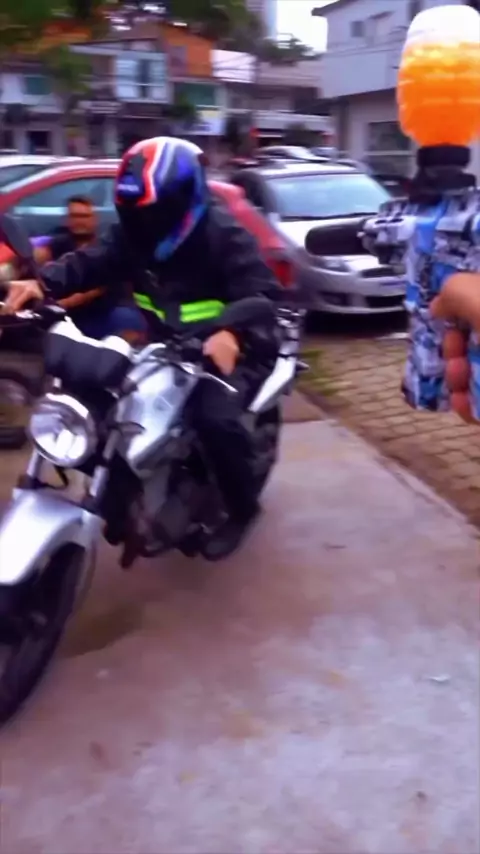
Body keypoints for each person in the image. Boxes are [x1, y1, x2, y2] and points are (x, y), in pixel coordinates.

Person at [4, 136, 283, 560]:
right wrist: (42, 284)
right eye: (134, 212)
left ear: (183, 200)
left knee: (214, 418)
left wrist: (232, 331)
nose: (142, 221)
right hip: (170, 347)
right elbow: (91, 260)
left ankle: (243, 510)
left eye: (151, 211)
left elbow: (264, 295)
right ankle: (126, 503)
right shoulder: (134, 237)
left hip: (241, 347)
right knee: (100, 409)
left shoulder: (225, 236)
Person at [36, 196, 146, 343]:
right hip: (68, 317)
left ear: (94, 219)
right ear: (67, 220)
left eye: (84, 216)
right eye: (75, 216)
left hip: (105, 312)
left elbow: (91, 292)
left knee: (130, 322)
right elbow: (38, 254)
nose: (80, 221)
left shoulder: (106, 246)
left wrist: (55, 305)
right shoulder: (59, 242)